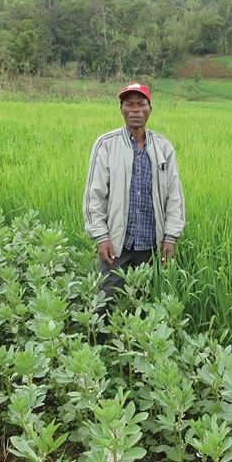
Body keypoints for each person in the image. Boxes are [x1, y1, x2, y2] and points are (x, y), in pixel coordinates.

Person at [82, 82, 186, 304]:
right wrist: (101, 236)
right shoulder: (106, 144)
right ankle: (101, 339)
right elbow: (95, 194)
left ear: (150, 109)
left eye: (141, 104)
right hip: (116, 243)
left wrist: (171, 236)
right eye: (129, 104)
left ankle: (138, 340)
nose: (135, 110)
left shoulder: (163, 147)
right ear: (121, 109)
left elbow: (173, 196)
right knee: (105, 301)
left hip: (151, 243)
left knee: (146, 302)